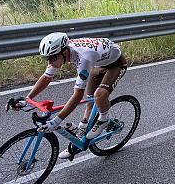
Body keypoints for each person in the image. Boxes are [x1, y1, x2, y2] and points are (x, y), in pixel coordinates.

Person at [18, 33, 128, 161]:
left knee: (99, 95)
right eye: (47, 59)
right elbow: (47, 77)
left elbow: (76, 96)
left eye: (52, 58)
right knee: (89, 102)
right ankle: (77, 143)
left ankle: (104, 119)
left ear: (65, 52)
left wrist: (56, 121)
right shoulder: (62, 53)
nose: (50, 62)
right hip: (98, 64)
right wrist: (28, 98)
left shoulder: (84, 58)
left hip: (116, 64)